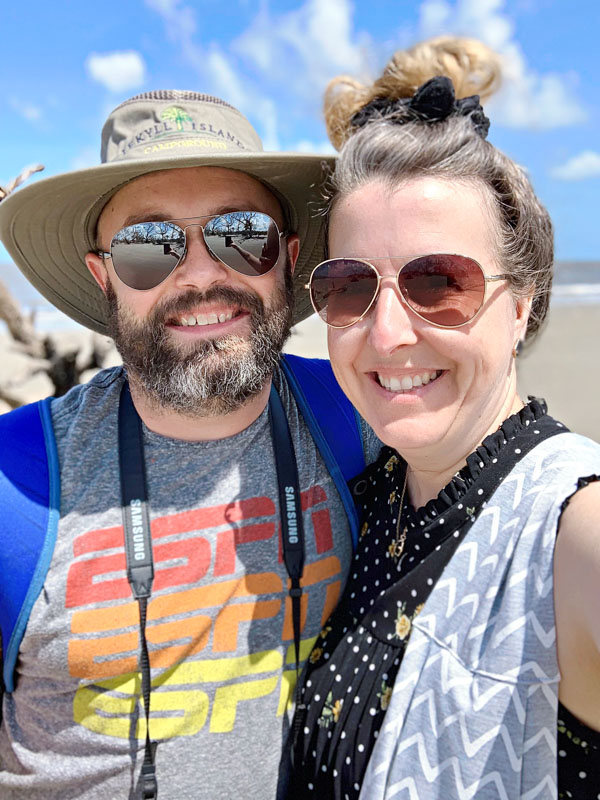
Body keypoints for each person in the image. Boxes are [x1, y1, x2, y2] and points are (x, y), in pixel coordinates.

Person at [0, 91, 379, 799]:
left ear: (286, 259)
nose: (202, 274)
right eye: (150, 245)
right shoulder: (12, 482)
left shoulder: (362, 413)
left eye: (243, 234)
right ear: (102, 275)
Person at [286, 37, 600, 799]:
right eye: (350, 286)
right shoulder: (362, 495)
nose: (387, 332)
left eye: (438, 282)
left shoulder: (570, 525)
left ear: (520, 306)